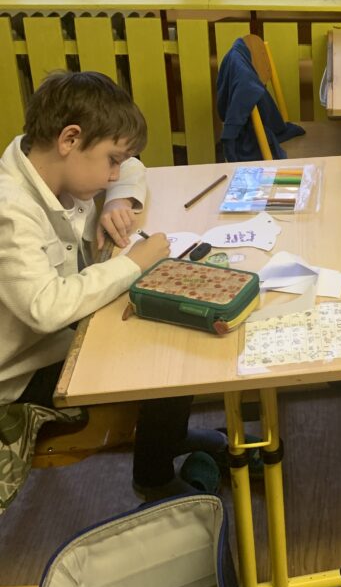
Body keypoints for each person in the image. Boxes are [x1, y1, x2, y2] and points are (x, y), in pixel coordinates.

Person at [0, 70, 226, 500]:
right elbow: (46, 308)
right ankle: (155, 477)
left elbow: (135, 166)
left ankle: (170, 437)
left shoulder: (53, 168)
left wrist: (118, 198)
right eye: (111, 161)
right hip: (24, 372)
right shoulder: (9, 211)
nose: (116, 172)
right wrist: (133, 264)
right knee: (162, 350)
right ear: (70, 139)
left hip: (63, 333)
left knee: (171, 328)